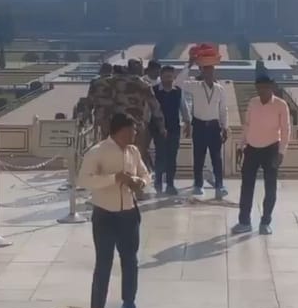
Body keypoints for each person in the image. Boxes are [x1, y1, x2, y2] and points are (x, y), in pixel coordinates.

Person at [77, 113, 149, 308]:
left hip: (129, 213)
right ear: (121, 130)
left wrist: (140, 183)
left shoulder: (133, 152)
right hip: (105, 214)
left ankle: (129, 306)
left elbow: (145, 174)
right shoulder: (98, 151)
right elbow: (84, 179)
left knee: (130, 261)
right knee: (104, 263)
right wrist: (114, 178)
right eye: (132, 130)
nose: (135, 133)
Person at [90, 61, 167, 200]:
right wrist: (161, 126)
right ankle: (137, 192)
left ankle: (108, 191)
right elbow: (155, 106)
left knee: (107, 159)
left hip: (110, 127)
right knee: (134, 159)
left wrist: (93, 121)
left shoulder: (102, 82)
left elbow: (91, 103)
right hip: (133, 127)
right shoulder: (142, 84)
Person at [232, 76, 290, 235]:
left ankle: (265, 222)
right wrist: (241, 145)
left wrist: (281, 152)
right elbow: (247, 125)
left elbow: (286, 130)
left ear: (271, 87)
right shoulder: (253, 102)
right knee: (246, 186)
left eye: (266, 87)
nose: (263, 90)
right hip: (251, 148)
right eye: (260, 88)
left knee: (270, 187)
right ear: (256, 88)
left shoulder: (280, 105)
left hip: (271, 149)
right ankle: (244, 221)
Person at [176, 56, 229, 199]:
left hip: (214, 127)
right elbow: (178, 82)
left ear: (214, 72)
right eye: (206, 71)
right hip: (199, 126)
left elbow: (223, 110)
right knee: (198, 157)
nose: (209, 74)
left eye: (211, 71)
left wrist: (225, 127)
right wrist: (189, 65)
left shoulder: (220, 89)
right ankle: (198, 184)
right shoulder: (196, 86)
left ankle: (219, 186)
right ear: (202, 72)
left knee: (216, 158)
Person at [152, 65, 191, 195]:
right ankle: (158, 182)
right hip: (158, 128)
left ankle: (170, 184)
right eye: (166, 76)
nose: (168, 79)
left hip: (174, 128)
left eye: (170, 76)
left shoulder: (178, 91)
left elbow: (183, 107)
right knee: (160, 156)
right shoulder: (154, 91)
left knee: (172, 157)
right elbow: (149, 109)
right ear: (161, 77)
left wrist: (187, 122)